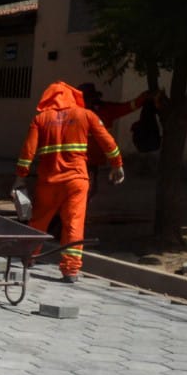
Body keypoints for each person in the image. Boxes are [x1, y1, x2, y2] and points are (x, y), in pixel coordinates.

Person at [15, 80, 124, 282]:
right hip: (76, 181)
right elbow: (107, 140)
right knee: (74, 223)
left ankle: (29, 257)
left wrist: (20, 177)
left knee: (39, 221)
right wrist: (117, 164)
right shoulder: (86, 115)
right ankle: (70, 270)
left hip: (48, 181)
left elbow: (27, 152)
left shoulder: (40, 119)